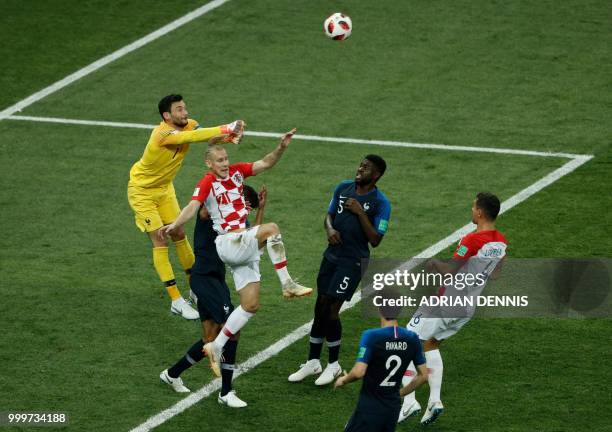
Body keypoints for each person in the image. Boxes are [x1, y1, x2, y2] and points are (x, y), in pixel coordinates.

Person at [160, 128, 312, 376]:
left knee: (250, 305)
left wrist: (281, 147)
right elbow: (192, 206)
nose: (224, 164)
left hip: (241, 242)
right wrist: (176, 225)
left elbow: (265, 163)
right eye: (219, 161)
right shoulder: (207, 182)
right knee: (272, 229)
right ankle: (287, 284)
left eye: (226, 159)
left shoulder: (239, 171)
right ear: (209, 164)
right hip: (228, 242)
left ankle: (215, 346)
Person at [127, 94, 244, 320]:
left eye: (185, 108)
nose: (185, 113)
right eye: (179, 110)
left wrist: (229, 137)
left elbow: (205, 139)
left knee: (179, 233)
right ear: (167, 115)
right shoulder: (162, 134)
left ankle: (195, 289)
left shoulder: (187, 125)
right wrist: (227, 126)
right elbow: (191, 136)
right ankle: (176, 301)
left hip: (164, 189)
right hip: (142, 192)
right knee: (160, 239)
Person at [399, 192, 507, 426]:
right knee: (431, 345)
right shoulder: (501, 242)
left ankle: (408, 404)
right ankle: (434, 401)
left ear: (480, 212)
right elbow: (496, 274)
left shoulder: (471, 240)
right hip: (467, 307)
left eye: (473, 207)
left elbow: (450, 271)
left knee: (406, 341)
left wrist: (434, 263)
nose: (471, 211)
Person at [159, 184, 266, 408]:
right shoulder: (211, 210)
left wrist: (259, 211)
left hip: (216, 279)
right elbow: (205, 211)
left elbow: (252, 240)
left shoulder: (236, 220)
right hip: (204, 277)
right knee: (232, 330)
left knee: (210, 337)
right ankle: (226, 392)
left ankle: (172, 374)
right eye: (244, 203)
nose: (244, 209)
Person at [288, 155, 391, 385]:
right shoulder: (343, 188)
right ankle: (313, 362)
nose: (360, 168)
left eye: (366, 168)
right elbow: (328, 215)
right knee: (320, 306)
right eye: (360, 165)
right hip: (331, 256)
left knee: (333, 309)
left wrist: (360, 212)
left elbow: (375, 239)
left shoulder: (381, 203)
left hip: (353, 261)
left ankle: (333, 365)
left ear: (376, 175)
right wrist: (330, 230)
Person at [334, 302, 428, 432]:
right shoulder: (412, 338)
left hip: (369, 408)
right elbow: (423, 376)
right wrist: (400, 393)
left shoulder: (372, 336)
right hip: (392, 408)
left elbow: (358, 372)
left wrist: (343, 380)